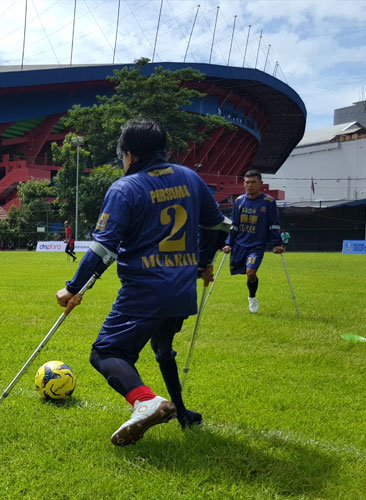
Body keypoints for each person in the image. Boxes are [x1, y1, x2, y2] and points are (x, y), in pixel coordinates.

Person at [55, 119, 228, 446]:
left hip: (145, 291)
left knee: (106, 352)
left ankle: (145, 401)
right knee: (163, 350)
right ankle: (181, 412)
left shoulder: (126, 187)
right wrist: (204, 263)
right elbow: (218, 227)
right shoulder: (190, 177)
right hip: (181, 290)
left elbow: (103, 247)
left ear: (129, 155)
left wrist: (74, 288)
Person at [222, 170, 284, 313]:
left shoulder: (268, 202)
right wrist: (228, 243)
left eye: (253, 182)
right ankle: (251, 293)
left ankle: (252, 297)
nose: (249, 185)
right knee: (242, 271)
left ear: (260, 184)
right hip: (239, 243)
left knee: (250, 272)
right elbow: (234, 224)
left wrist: (276, 244)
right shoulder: (239, 201)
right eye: (247, 182)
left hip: (256, 244)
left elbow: (274, 224)